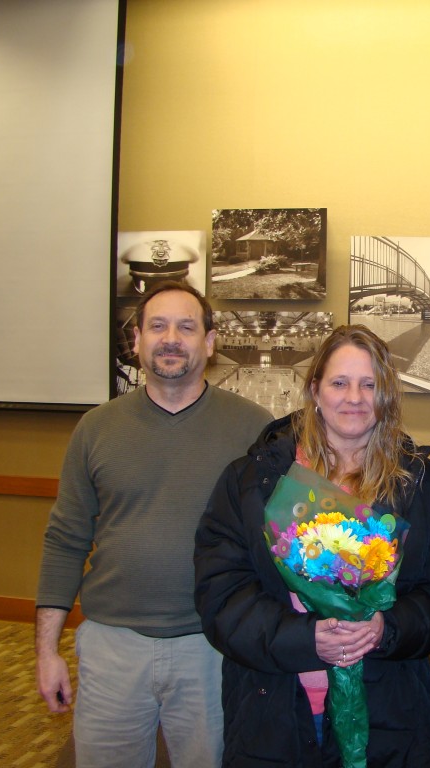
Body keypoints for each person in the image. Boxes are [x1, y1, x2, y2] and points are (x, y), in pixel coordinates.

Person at [35, 281, 273, 768]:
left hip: (212, 647)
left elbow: (277, 541)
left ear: (209, 343)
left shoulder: (254, 428)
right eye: (157, 326)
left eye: (186, 327)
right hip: (111, 645)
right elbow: (65, 539)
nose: (170, 338)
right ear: (138, 341)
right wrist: (47, 651)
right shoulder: (95, 429)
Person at [194, 325, 430, 767]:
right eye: (339, 382)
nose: (354, 397)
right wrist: (306, 638)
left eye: (369, 384)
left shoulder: (420, 484)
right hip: (273, 715)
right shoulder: (253, 482)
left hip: (389, 717)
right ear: (315, 390)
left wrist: (384, 627)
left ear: (385, 394)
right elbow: (221, 596)